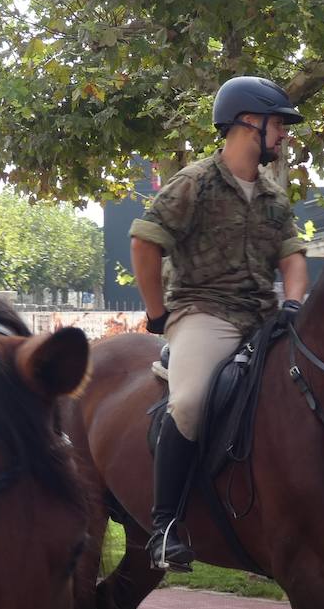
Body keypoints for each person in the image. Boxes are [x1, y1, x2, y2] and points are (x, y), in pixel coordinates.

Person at [129, 75, 309, 571]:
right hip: (205, 314)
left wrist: (293, 304)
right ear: (248, 122)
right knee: (187, 404)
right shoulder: (194, 183)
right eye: (279, 126)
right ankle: (165, 525)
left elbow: (293, 259)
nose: (284, 135)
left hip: (264, 319)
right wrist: (158, 313)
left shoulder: (273, 197)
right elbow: (145, 242)